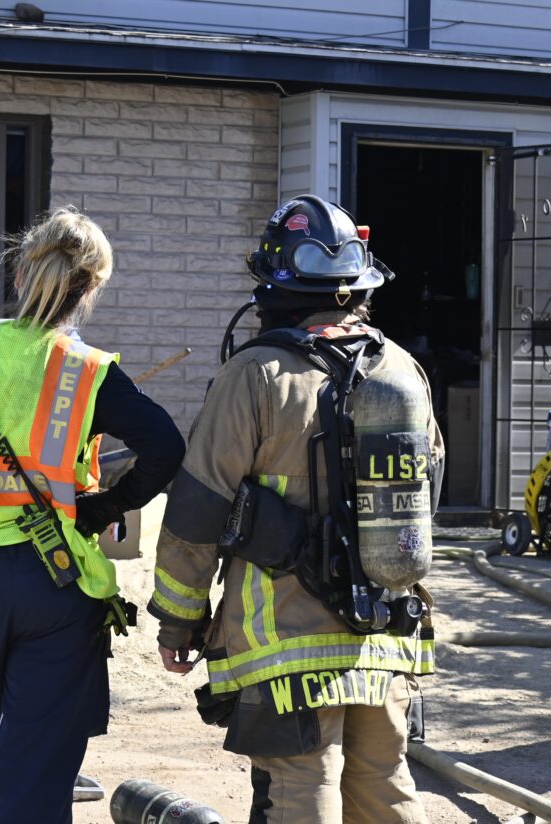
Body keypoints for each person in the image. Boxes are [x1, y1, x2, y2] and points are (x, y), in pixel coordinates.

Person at [149, 195, 444, 824]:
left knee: (302, 785)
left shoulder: (254, 374)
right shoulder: (402, 370)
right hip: (384, 632)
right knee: (385, 785)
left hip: (284, 642)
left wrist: (178, 621)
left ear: (271, 286)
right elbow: (426, 492)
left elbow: (198, 511)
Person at [0, 206, 185, 824]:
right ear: (91, 288)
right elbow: (165, 446)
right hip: (55, 581)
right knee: (37, 765)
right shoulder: (86, 371)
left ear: (22, 273)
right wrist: (103, 508)